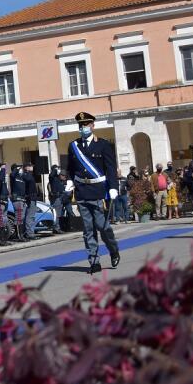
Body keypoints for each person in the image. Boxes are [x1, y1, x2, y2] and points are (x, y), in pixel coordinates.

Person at [63, 112, 120, 274]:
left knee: (103, 226)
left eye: (86, 125)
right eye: (80, 126)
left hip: (98, 191)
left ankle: (113, 249)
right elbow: (70, 168)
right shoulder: (73, 146)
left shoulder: (103, 145)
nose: (83, 128)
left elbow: (110, 168)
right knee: (88, 229)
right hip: (82, 191)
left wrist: (113, 187)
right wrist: (69, 181)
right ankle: (94, 261)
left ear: (92, 126)